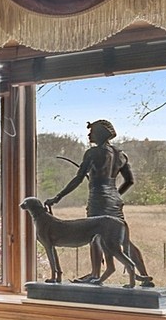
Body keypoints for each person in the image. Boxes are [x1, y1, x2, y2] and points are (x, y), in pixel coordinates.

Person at [45, 119, 154, 286]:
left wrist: (57, 197)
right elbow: (129, 181)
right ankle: (144, 275)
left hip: (98, 199)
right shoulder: (120, 154)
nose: (89, 135)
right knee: (122, 238)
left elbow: (78, 179)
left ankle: (95, 274)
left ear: (100, 134)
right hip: (115, 201)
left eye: (92, 132)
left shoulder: (92, 153)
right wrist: (115, 194)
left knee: (95, 235)